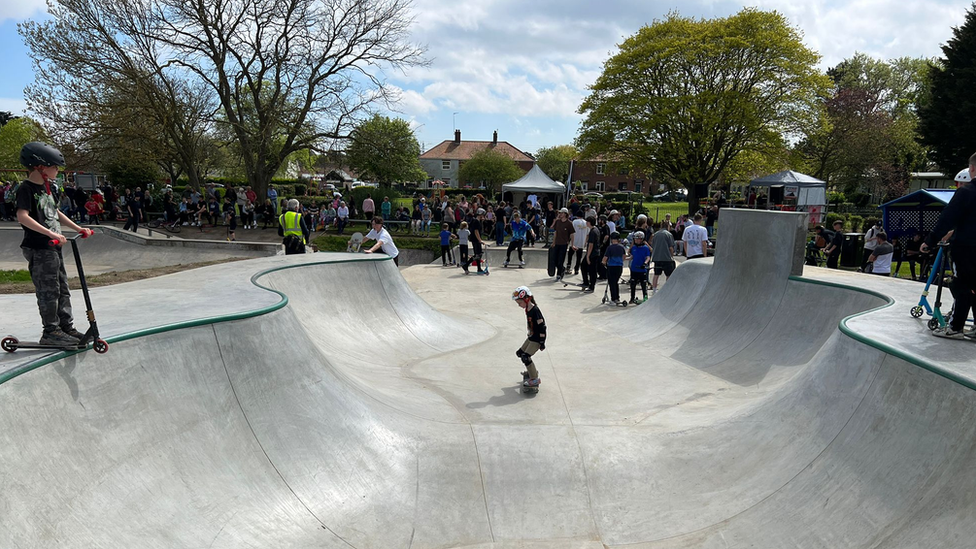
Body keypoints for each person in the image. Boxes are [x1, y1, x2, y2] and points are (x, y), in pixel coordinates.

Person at [15, 142, 95, 346]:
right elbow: (22, 217)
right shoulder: (26, 188)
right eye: (55, 167)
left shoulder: (48, 188)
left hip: (54, 246)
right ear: (40, 167)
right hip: (39, 247)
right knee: (48, 290)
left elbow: (55, 212)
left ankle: (65, 327)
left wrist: (78, 228)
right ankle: (50, 331)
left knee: (62, 288)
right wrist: (50, 233)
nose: (58, 171)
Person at [921, 162, 976, 339]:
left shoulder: (967, 192)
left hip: (966, 247)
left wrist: (930, 241)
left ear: (973, 168)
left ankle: (955, 327)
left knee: (961, 285)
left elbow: (947, 218)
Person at [512, 285, 545, 390]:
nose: (519, 305)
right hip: (531, 337)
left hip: (536, 339)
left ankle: (534, 378)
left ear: (527, 299)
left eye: (520, 303)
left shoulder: (535, 310)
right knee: (520, 353)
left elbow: (542, 326)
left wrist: (542, 341)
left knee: (525, 357)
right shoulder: (527, 309)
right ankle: (532, 371)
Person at [650, 222, 676, 292]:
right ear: (668, 227)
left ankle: (654, 289)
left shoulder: (655, 234)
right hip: (666, 258)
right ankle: (667, 289)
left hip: (657, 257)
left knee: (656, 274)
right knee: (668, 275)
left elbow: (652, 245)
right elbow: (671, 247)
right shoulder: (668, 234)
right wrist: (672, 256)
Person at [550, 207, 575, 281]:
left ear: (565, 214)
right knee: (555, 259)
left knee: (561, 259)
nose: (560, 214)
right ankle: (562, 269)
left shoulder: (569, 223)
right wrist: (553, 242)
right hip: (557, 243)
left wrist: (572, 244)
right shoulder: (558, 222)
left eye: (561, 213)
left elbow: (572, 234)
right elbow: (555, 232)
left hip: (564, 244)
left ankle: (558, 274)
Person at [627, 231, 652, 304]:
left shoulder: (645, 248)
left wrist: (645, 263)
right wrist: (625, 258)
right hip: (634, 269)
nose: (636, 240)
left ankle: (645, 297)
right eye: (635, 239)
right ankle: (632, 298)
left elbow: (648, 257)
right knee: (633, 284)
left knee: (643, 284)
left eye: (638, 239)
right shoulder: (634, 247)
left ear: (642, 239)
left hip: (642, 269)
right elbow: (632, 256)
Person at [602, 232, 626, 304]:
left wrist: (603, 263)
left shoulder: (610, 248)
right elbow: (624, 257)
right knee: (615, 282)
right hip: (619, 267)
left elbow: (605, 258)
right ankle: (617, 297)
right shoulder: (621, 247)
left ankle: (614, 298)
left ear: (612, 239)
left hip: (611, 267)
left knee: (612, 283)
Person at [581, 217, 600, 292]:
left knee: (592, 270)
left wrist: (588, 256)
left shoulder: (593, 232)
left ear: (589, 222)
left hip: (592, 253)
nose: (586, 223)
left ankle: (591, 286)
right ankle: (586, 282)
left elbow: (591, 245)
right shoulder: (595, 230)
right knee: (584, 266)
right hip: (595, 252)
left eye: (587, 222)